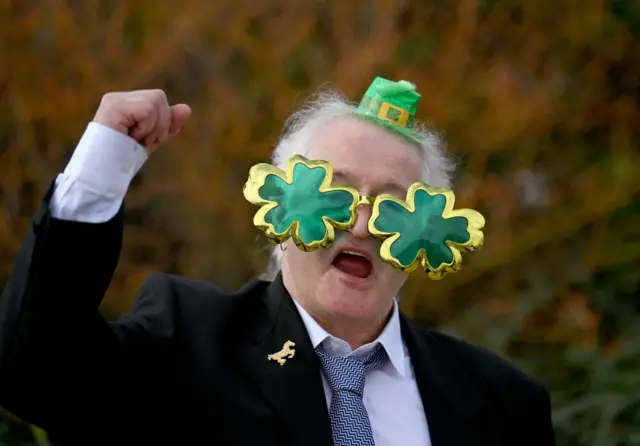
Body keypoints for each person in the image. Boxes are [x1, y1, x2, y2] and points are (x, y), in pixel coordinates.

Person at [0, 78, 555, 446]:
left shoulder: (504, 404)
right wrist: (102, 168)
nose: (361, 224)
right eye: (333, 193)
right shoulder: (188, 342)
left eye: (393, 207)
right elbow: (35, 371)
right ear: (280, 205)